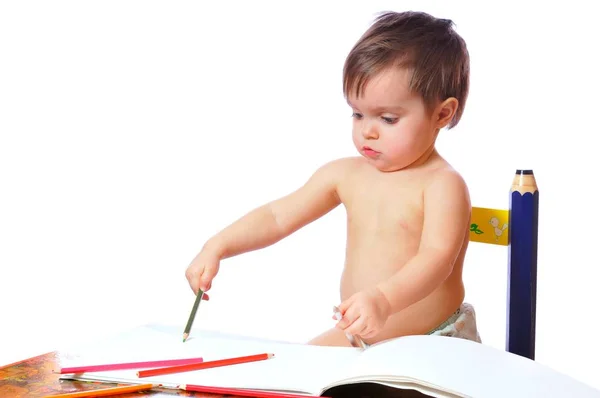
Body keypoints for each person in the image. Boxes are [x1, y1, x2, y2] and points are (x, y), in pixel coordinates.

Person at [185, 10, 481, 347]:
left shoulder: (442, 185)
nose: (367, 131)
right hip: (363, 338)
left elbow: (436, 260)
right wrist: (218, 246)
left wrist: (383, 300)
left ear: (442, 113)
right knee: (296, 370)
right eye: (357, 113)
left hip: (433, 342)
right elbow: (278, 216)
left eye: (387, 118)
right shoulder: (345, 174)